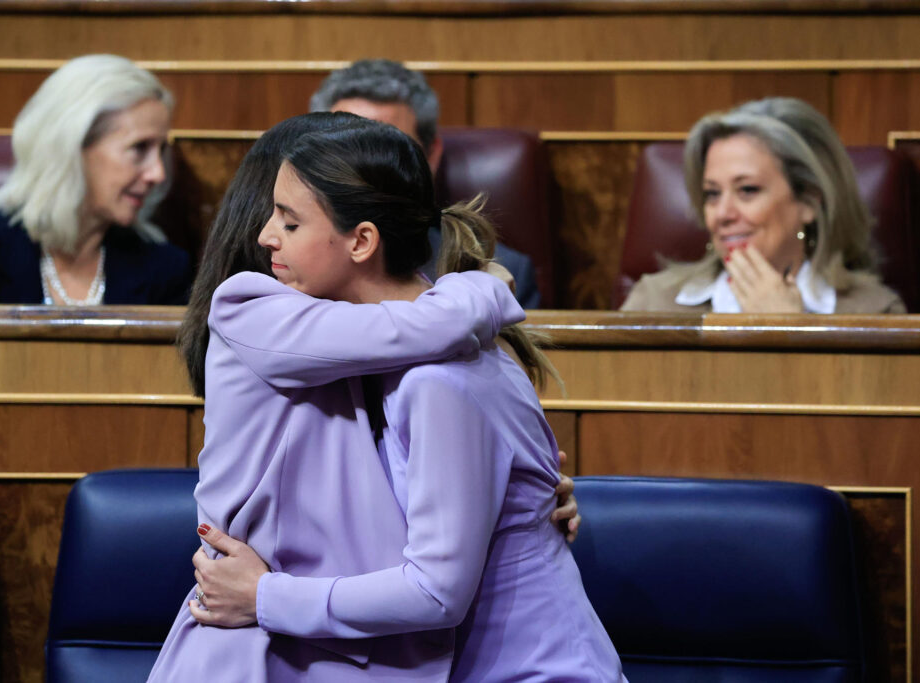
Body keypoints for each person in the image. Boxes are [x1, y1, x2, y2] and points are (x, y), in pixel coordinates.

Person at [184, 120, 625, 681]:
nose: (266, 237)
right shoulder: (371, 360)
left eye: (291, 222)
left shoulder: (435, 378)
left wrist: (266, 596)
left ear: (362, 240)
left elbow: (436, 590)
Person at [0, 54, 191, 305]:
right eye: (139, 148)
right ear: (71, 147)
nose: (158, 173)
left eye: (161, 151)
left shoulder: (167, 269)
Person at [621, 97, 905, 314]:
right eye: (712, 194)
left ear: (808, 201)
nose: (722, 214)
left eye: (747, 190)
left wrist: (790, 335)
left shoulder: (875, 312)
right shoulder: (653, 303)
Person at [310, 58, 542, 308]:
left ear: (431, 155)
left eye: (389, 149)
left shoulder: (496, 274)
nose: (365, 168)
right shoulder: (280, 260)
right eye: (346, 148)